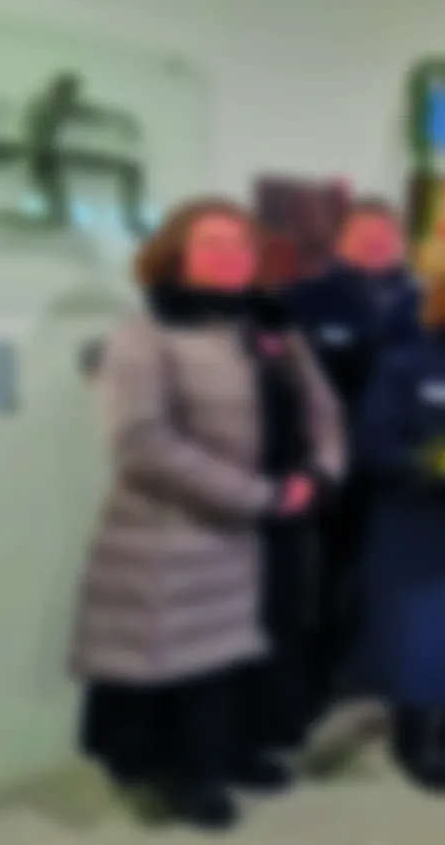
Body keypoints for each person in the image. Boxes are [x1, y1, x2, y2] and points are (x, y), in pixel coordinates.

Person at [70, 199, 344, 831]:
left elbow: (322, 409)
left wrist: (321, 473)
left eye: (240, 244)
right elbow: (143, 446)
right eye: (212, 243)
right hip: (184, 529)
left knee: (264, 646)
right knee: (200, 662)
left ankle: (243, 752)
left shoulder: (272, 325)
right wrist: (260, 496)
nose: (230, 256)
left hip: (280, 523)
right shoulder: (147, 332)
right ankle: (198, 776)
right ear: (177, 254)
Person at [281, 199, 422, 716]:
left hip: (403, 473)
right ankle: (314, 687)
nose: (377, 242)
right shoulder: (303, 300)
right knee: (320, 582)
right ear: (341, 242)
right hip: (329, 469)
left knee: (394, 582)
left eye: (387, 233)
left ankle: (386, 679)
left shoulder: (424, 303)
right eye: (365, 233)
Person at [353, 271, 445, 792]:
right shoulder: (405, 363)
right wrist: (431, 464)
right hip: (419, 523)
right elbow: (373, 442)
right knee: (424, 640)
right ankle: (415, 737)